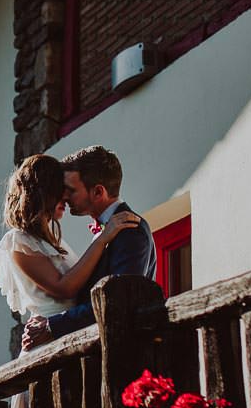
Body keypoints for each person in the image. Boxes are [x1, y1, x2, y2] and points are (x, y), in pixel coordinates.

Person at [0, 153, 139, 408]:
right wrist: (104, 236)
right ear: (41, 191)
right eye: (60, 189)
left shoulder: (57, 243)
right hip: (45, 345)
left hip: (67, 341)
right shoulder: (19, 243)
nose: (66, 198)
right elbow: (64, 288)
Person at [21, 145, 155, 351]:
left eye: (71, 190)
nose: (64, 197)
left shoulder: (130, 230)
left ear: (98, 192)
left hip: (119, 354)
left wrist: (53, 326)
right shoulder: (108, 230)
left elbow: (118, 299)